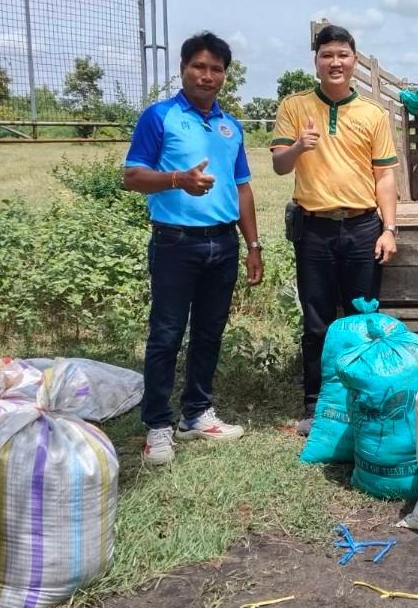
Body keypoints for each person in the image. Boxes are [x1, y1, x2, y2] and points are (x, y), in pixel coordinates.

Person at [123, 31, 264, 466]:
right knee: (166, 334)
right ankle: (158, 425)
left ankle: (197, 414)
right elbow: (131, 176)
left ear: (225, 75)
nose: (207, 76)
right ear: (182, 69)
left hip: (222, 242)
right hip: (174, 241)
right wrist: (176, 179)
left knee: (209, 332)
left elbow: (242, 188)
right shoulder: (159, 116)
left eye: (216, 69)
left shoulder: (230, 125)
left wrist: (253, 244)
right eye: (198, 67)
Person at [270, 25, 399, 435]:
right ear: (316, 61)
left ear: (354, 60)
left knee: (363, 317)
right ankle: (316, 405)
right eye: (327, 55)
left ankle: (365, 401)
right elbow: (278, 165)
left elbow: (385, 178)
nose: (336, 62)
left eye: (343, 54)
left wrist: (389, 229)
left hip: (363, 227)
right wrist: (298, 147)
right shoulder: (294, 106)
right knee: (317, 321)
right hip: (315, 230)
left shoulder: (373, 114)